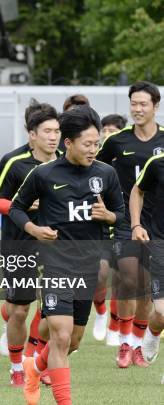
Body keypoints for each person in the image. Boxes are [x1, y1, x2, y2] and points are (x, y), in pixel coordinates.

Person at [13, 105, 124, 405]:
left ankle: (34, 367)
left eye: (96, 143)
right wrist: (34, 230)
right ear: (68, 143)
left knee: (73, 341)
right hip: (55, 264)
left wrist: (109, 216)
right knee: (60, 336)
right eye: (87, 144)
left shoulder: (106, 173)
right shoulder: (44, 174)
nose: (93, 149)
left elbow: (122, 214)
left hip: (89, 265)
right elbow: (15, 207)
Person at [0, 101, 60, 386]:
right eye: (47, 131)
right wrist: (25, 205)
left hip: (56, 245)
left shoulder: (67, 160)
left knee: (55, 309)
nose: (53, 136)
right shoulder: (13, 162)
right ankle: (17, 365)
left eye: (57, 130)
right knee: (19, 309)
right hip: (19, 244)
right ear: (32, 134)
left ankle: (36, 359)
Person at [96, 81, 163, 368]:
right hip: (124, 220)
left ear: (155, 107)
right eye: (133, 103)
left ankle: (138, 342)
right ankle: (123, 341)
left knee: (147, 287)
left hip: (157, 224)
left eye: (143, 104)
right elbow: (94, 171)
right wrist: (100, 204)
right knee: (128, 276)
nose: (137, 109)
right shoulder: (117, 141)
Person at [92, 113, 128, 346]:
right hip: (102, 225)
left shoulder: (128, 160)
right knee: (100, 275)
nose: (107, 134)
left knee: (124, 277)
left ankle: (116, 327)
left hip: (126, 223)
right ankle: (102, 311)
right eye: (104, 130)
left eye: (112, 130)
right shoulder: (95, 162)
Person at [130, 151, 164, 364]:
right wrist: (136, 224)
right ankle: (152, 333)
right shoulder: (157, 162)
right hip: (160, 242)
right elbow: (137, 190)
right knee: (161, 313)